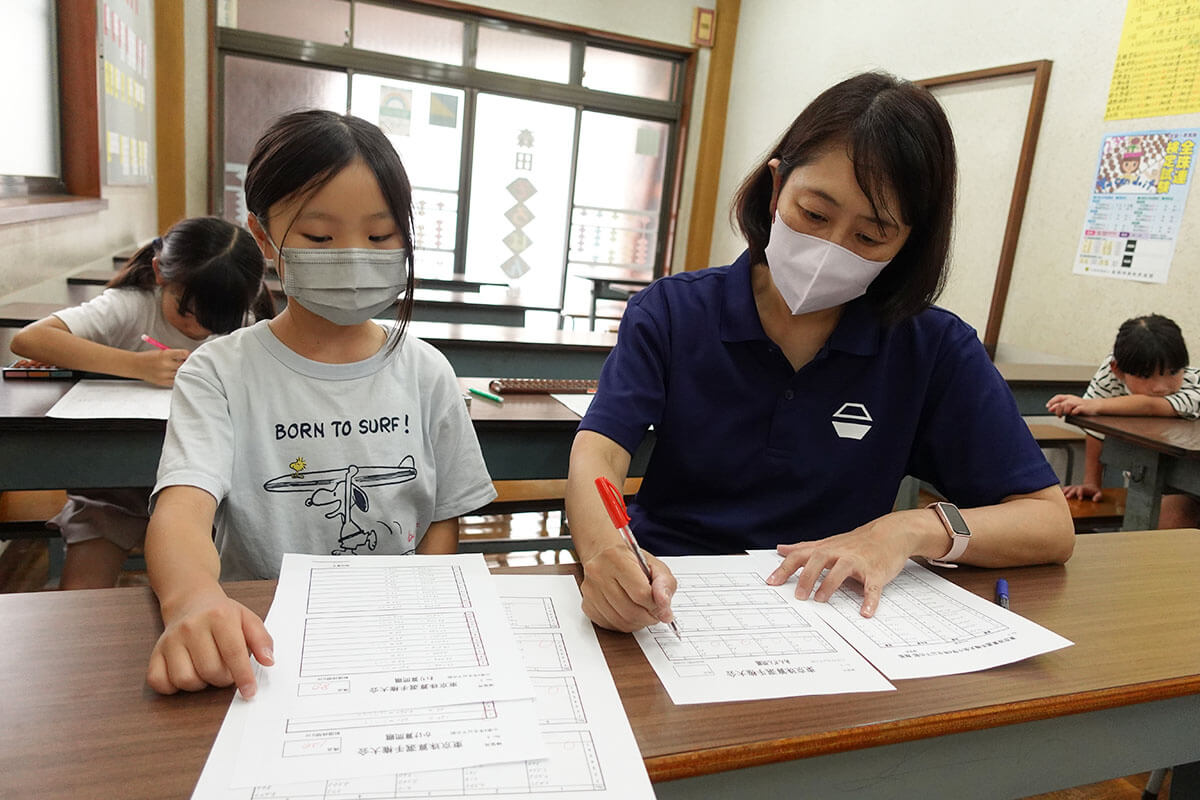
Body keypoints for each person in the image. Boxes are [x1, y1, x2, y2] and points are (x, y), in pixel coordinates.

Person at [564, 71, 1075, 633]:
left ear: (909, 243)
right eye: (814, 213)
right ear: (775, 183)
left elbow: (1049, 524)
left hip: (833, 612)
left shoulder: (932, 348)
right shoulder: (672, 313)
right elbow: (599, 451)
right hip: (672, 595)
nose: (830, 249)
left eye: (870, 236)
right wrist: (606, 552)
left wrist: (905, 531)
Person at [144, 110, 497, 697]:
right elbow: (182, 512)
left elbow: (442, 516)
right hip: (262, 639)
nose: (355, 256)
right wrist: (192, 599)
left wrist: (428, 608)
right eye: (319, 237)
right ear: (264, 239)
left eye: (381, 237)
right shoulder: (219, 372)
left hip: (395, 640)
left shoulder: (426, 370)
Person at [10, 217, 273, 590]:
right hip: (116, 486)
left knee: (220, 582)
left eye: (213, 320)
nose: (198, 328)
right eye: (186, 311)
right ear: (159, 274)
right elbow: (29, 339)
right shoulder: (133, 307)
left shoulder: (244, 321)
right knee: (84, 591)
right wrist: (136, 365)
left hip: (211, 487)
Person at [1046, 313, 1200, 528]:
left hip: (1191, 483)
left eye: (1173, 372)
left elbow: (1151, 405)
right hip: (1158, 479)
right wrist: (1092, 482)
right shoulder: (1109, 373)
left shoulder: (1195, 384)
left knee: (1171, 516)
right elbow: (1096, 431)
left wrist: (1095, 405)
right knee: (1162, 516)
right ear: (1117, 370)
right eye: (1147, 376)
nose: (1161, 386)